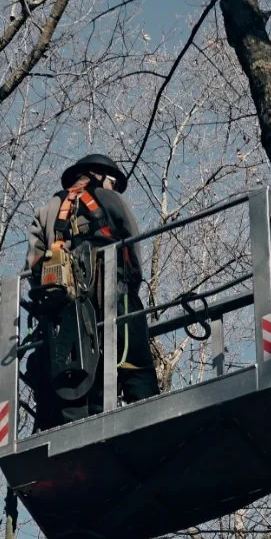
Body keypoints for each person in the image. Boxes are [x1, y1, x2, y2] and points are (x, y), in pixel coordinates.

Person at [24, 153, 159, 430]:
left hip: (62, 313)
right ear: (100, 176)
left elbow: (33, 267)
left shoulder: (47, 210)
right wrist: (129, 288)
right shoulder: (112, 200)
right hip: (114, 297)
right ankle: (150, 422)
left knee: (73, 374)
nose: (114, 187)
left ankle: (70, 428)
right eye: (113, 182)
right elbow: (133, 253)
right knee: (136, 365)